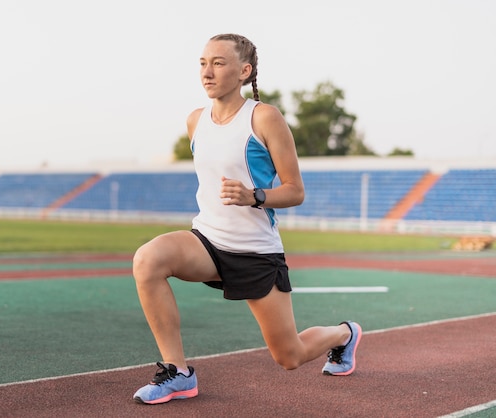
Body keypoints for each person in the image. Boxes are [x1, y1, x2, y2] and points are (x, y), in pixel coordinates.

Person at [132, 33, 362, 405]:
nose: (207, 72)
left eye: (218, 63)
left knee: (290, 356)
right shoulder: (195, 121)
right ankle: (179, 373)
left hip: (255, 251)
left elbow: (295, 190)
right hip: (206, 240)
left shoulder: (264, 117)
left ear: (244, 71)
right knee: (148, 259)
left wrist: (254, 196)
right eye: (203, 63)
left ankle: (344, 335)